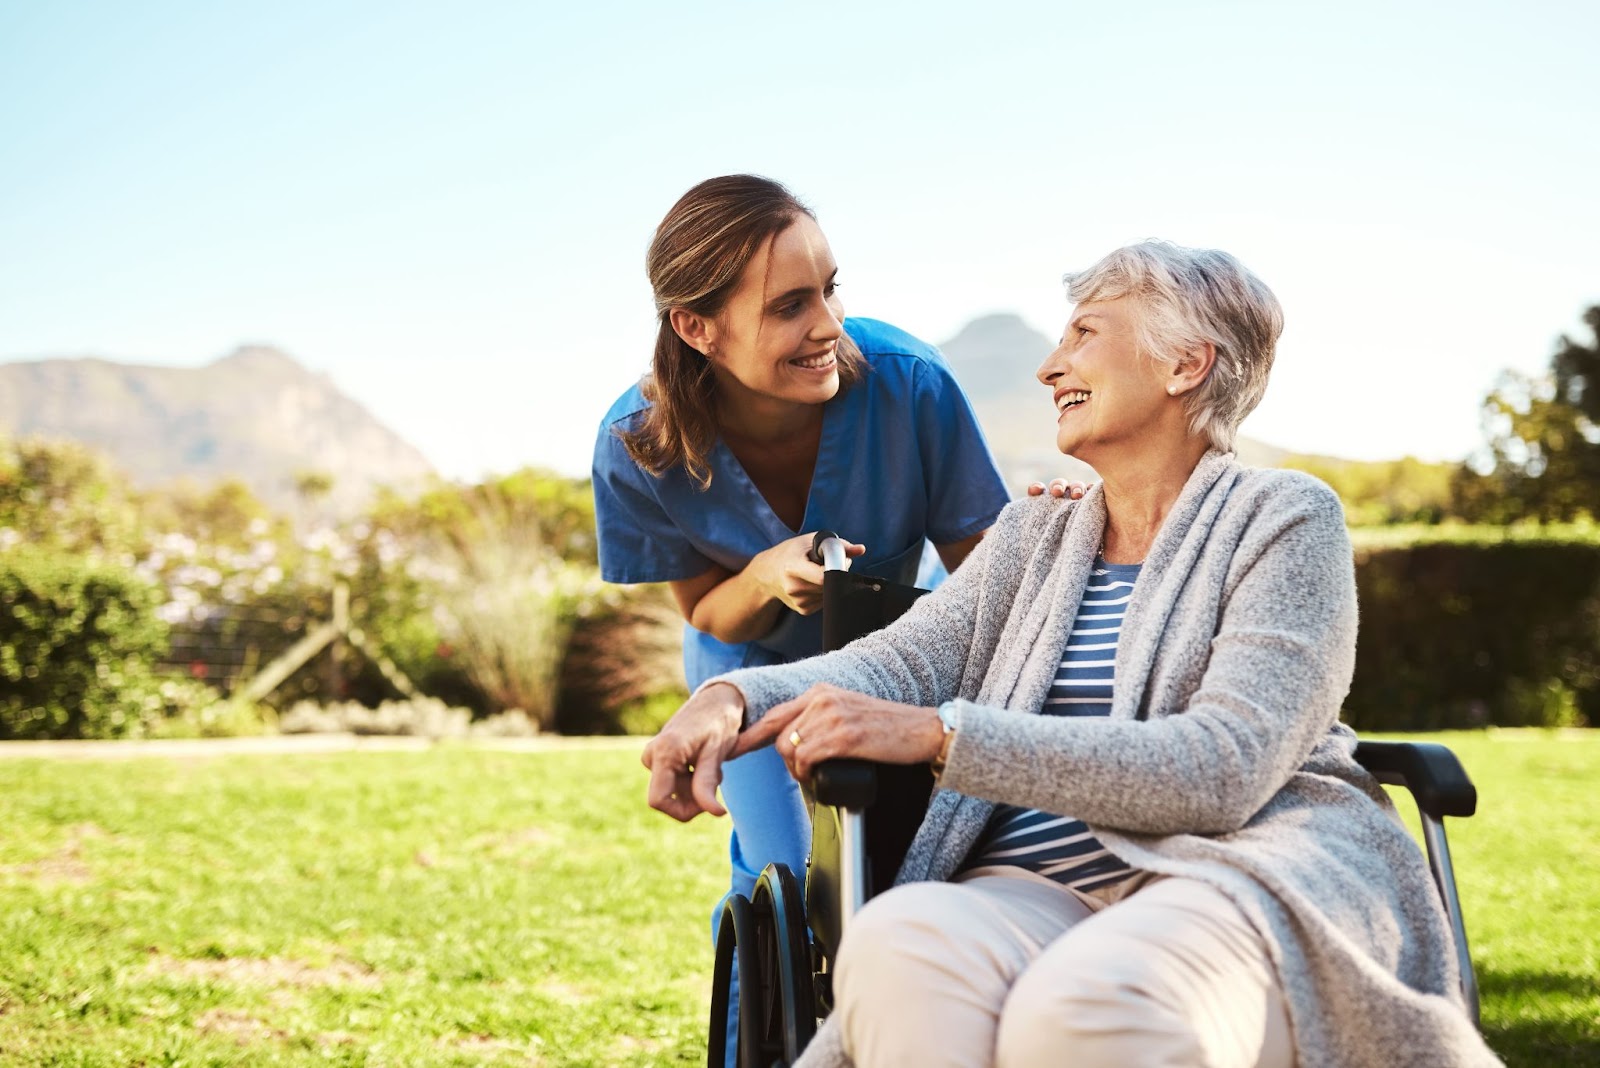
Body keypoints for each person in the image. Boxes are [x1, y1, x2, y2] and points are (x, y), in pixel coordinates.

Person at [643, 240, 1499, 1067]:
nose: (1050, 368)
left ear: (1185, 365)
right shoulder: (1038, 533)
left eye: (1084, 335)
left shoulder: (1282, 519)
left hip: (1230, 873)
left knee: (1087, 1007)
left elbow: (1225, 767)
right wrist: (738, 698)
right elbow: (897, 664)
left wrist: (944, 738)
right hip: (1029, 885)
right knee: (899, 951)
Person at [591, 175, 1021, 958]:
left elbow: (994, 589)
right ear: (697, 328)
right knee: (788, 886)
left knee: (908, 873)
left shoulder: (909, 384)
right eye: (790, 306)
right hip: (743, 663)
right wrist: (760, 577)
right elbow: (703, 613)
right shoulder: (637, 444)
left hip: (897, 656)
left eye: (829, 290)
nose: (829, 326)